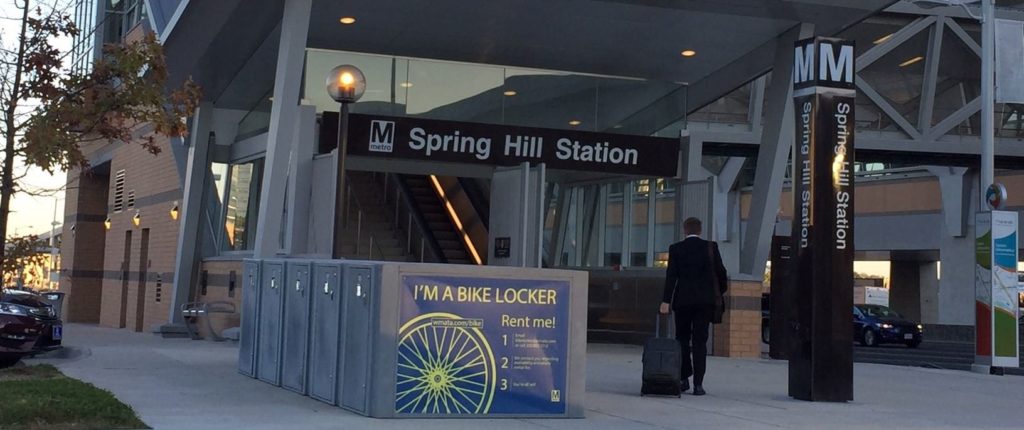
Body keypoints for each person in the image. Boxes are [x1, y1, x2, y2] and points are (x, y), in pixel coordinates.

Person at [659, 217, 727, 396]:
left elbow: (671, 276)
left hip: (682, 302)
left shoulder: (676, 249)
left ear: (684, 230)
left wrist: (666, 300)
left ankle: (683, 379)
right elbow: (721, 272)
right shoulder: (711, 247)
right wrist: (718, 292)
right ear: (700, 230)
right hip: (705, 303)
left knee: (681, 339)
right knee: (700, 342)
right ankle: (699, 384)